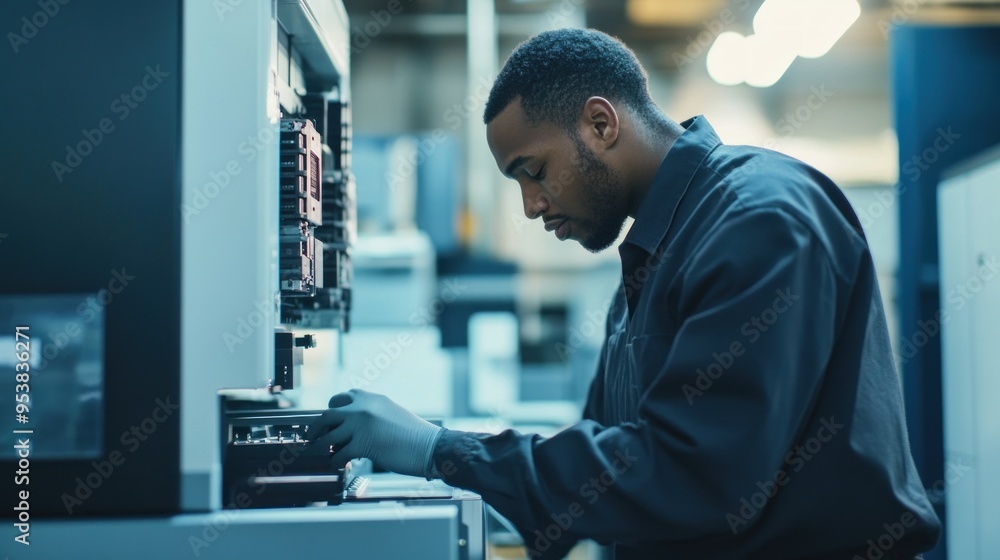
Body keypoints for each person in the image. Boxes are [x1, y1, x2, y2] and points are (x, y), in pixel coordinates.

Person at [309, 28, 940, 559]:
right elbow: (604, 460)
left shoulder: (760, 219)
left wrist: (437, 449)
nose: (530, 207)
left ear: (601, 123)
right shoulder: (652, 255)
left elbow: (692, 473)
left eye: (533, 172)